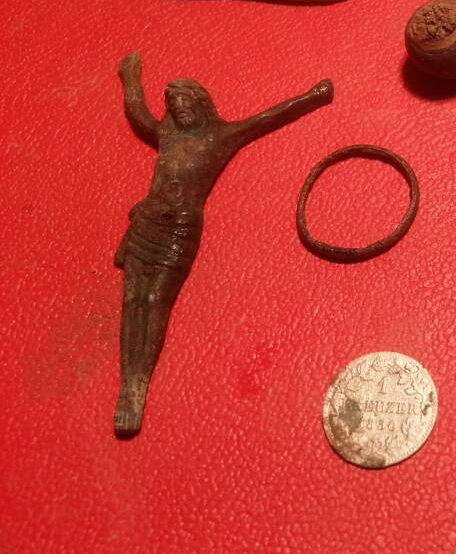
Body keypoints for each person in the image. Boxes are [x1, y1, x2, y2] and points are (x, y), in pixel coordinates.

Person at [113, 52, 333, 436]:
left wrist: (314, 96)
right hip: (145, 222)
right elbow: (137, 112)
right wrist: (130, 76)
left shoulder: (220, 137)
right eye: (173, 106)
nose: (179, 111)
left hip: (178, 229)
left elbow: (269, 117)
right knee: (131, 301)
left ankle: (139, 386)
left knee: (155, 299)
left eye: (185, 103)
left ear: (201, 104)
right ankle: (128, 386)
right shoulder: (167, 135)